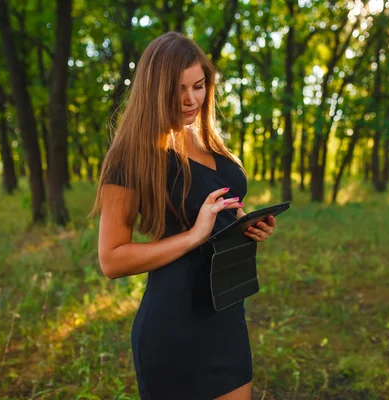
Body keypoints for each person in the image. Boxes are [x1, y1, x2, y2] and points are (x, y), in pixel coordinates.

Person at [90, 32, 277, 399]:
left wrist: (244, 226)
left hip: (227, 315)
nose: (191, 99)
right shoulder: (132, 157)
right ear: (154, 89)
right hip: (174, 325)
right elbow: (111, 260)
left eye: (199, 86)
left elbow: (218, 213)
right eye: (178, 89)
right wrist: (194, 235)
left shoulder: (208, 143)